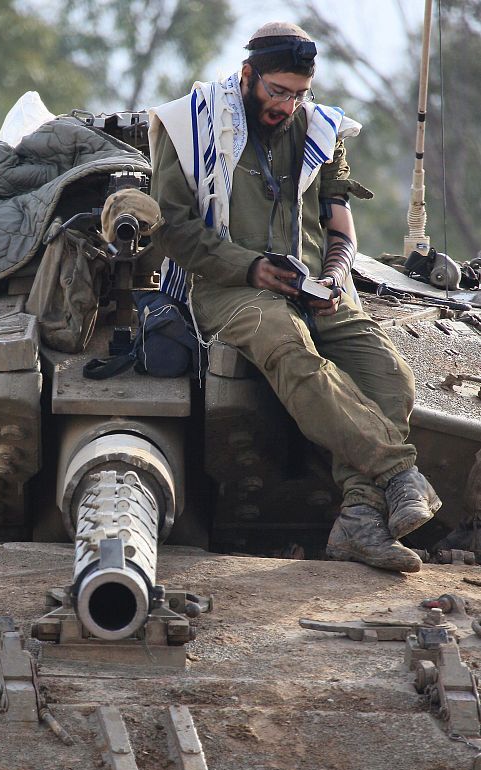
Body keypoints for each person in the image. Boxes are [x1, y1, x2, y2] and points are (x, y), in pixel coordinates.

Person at [148, 21, 440, 573]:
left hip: (316, 287)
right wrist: (251, 267)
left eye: (299, 93)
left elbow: (339, 224)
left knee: (389, 374)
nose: (287, 104)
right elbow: (173, 230)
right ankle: (396, 470)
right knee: (288, 346)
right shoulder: (188, 124)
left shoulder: (320, 129)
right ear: (248, 75)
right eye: (277, 91)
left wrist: (334, 275)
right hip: (228, 287)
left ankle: (358, 517)